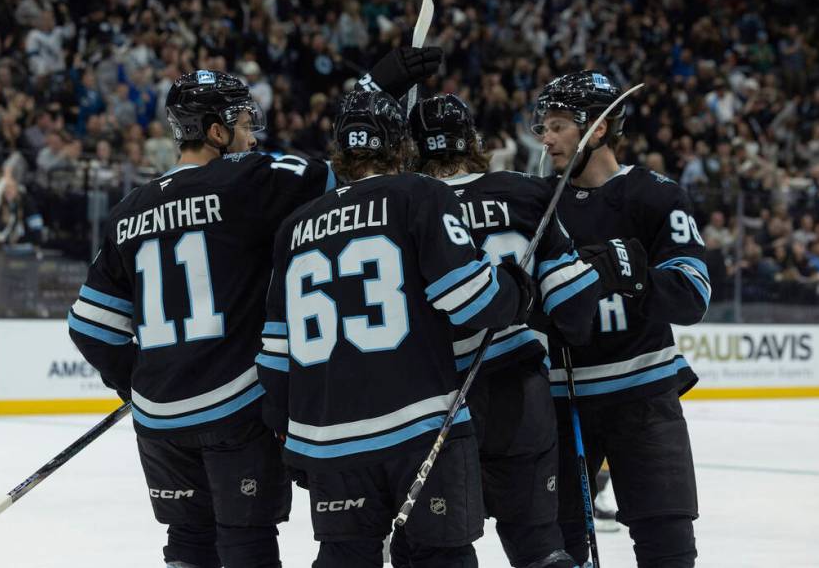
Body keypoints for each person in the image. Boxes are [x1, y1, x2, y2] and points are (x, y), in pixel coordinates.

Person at [257, 89, 536, 568]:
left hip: (327, 438)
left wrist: (293, 438)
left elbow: (276, 356)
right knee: (440, 557)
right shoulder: (421, 194)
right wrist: (516, 289)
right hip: (419, 424)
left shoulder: (295, 226)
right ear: (400, 144)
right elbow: (470, 301)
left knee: (344, 557)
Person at [68, 69, 334, 568]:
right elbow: (336, 177)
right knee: (245, 540)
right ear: (215, 131)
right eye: (241, 123)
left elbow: (89, 326)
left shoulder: (129, 211)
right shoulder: (248, 180)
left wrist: (141, 385)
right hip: (236, 409)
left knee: (188, 541)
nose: (252, 136)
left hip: (160, 422)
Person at [403, 93, 600, 568]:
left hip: (436, 401)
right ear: (472, 140)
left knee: (435, 551)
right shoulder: (525, 192)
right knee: (540, 548)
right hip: (521, 392)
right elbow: (575, 311)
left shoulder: (403, 204)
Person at [533, 71, 709, 568]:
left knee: (669, 549)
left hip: (645, 399)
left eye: (559, 125)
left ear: (600, 128)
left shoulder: (656, 195)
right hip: (561, 407)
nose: (546, 138)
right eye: (544, 126)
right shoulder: (536, 203)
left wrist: (637, 278)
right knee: (559, 553)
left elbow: (692, 296)